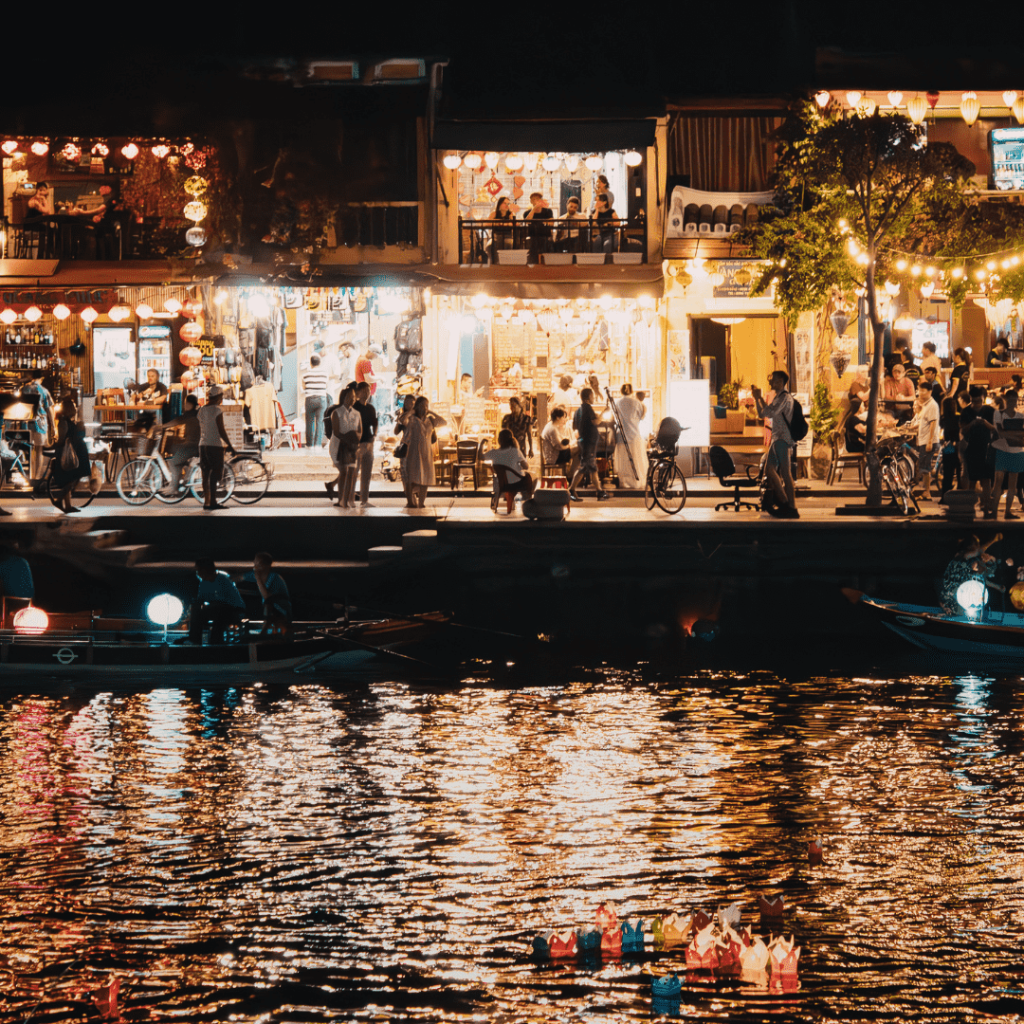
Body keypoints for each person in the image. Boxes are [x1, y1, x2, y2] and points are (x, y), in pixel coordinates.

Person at [752, 370, 798, 518]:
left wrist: (760, 398)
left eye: (774, 380)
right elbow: (762, 414)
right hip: (776, 438)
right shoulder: (778, 397)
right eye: (771, 379)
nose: (771, 382)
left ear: (781, 382)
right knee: (769, 470)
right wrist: (757, 398)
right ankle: (784, 501)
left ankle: (790, 506)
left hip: (782, 439)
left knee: (785, 472)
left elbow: (770, 412)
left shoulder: (784, 398)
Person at [938, 534, 1002, 615]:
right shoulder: (958, 563)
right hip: (957, 596)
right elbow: (945, 594)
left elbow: (980, 555)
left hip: (968, 597)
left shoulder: (973, 560)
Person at [198, 385, 238, 511]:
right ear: (219, 397)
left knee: (205, 474)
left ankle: (207, 502)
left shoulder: (202, 410)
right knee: (215, 474)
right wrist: (230, 445)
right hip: (214, 445)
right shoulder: (217, 410)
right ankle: (213, 502)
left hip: (202, 445)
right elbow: (221, 430)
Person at [187, 558, 245, 644]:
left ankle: (216, 641)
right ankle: (194, 639)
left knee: (220, 611)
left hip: (234, 610)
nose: (197, 573)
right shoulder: (203, 583)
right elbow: (201, 599)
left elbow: (225, 602)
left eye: (199, 570)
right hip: (216, 609)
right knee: (197, 611)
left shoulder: (223, 580)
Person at [960, 386, 997, 519]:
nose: (976, 404)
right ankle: (970, 508)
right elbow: (963, 430)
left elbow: (996, 429)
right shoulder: (966, 412)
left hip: (986, 448)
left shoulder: (990, 411)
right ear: (971, 399)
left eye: (979, 401)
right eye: (974, 401)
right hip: (972, 448)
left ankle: (986, 508)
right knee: (972, 480)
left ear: (982, 398)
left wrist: (985, 423)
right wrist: (972, 424)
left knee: (986, 480)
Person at [51, 397, 91, 514]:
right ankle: (59, 499)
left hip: (73, 453)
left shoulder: (67, 421)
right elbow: (63, 439)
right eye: (73, 407)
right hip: (68, 455)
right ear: (69, 409)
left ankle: (67, 506)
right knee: (73, 478)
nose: (75, 409)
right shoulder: (63, 422)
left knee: (70, 479)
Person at [235, 552, 292, 636]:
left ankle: (267, 633)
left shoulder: (275, 578)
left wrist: (258, 578)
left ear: (266, 565)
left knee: (268, 604)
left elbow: (267, 597)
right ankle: (263, 632)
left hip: (281, 610)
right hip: (270, 610)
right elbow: (239, 578)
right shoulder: (255, 575)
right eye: (255, 563)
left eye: (258, 563)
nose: (255, 566)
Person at [568, 388, 608, 502]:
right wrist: (603, 413)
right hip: (588, 443)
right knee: (588, 466)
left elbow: (575, 428)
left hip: (584, 442)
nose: (593, 398)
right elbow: (595, 421)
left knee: (588, 467)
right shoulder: (587, 408)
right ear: (587, 397)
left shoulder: (577, 411)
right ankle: (573, 490)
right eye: (592, 395)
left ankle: (599, 492)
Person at [990, 389, 1024, 520]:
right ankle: (1002, 511)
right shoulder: (1000, 414)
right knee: (1004, 484)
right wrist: (1016, 435)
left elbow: (1004, 433)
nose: (1012, 403)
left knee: (1007, 484)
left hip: (1010, 451)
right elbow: (1001, 433)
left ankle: (1000, 512)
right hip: (1010, 450)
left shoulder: (1002, 415)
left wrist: (1009, 434)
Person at [160, 394, 201, 496]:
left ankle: (173, 488)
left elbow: (176, 421)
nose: (186, 405)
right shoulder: (195, 413)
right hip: (192, 444)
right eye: (185, 403)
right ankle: (181, 477)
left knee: (173, 462)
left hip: (192, 445)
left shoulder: (191, 414)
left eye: (188, 404)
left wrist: (161, 427)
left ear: (192, 404)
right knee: (174, 452)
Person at [329, 385, 362, 509]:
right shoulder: (337, 413)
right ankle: (341, 499)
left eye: (353, 397)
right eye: (349, 397)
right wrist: (349, 438)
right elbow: (337, 432)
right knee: (344, 471)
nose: (352, 399)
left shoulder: (357, 413)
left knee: (351, 473)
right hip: (338, 446)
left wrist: (355, 439)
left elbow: (360, 431)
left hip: (351, 447)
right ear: (343, 398)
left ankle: (346, 499)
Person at [20, 368, 54, 484]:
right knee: (39, 450)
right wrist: (53, 426)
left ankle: (29, 474)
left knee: (28, 449)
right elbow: (49, 409)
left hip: (26, 422)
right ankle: (37, 476)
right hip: (40, 423)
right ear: (42, 378)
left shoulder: (24, 389)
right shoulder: (43, 391)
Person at [612, 383, 648, 489]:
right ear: (632, 391)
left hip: (621, 436)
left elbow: (615, 418)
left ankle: (623, 482)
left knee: (623, 460)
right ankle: (637, 482)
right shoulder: (637, 403)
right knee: (636, 460)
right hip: (634, 434)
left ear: (621, 391)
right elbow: (642, 416)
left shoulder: (617, 403)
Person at [909, 380, 940, 501]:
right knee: (923, 465)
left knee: (925, 467)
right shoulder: (925, 405)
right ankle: (934, 481)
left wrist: (930, 441)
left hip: (928, 440)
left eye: (923, 390)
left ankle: (927, 492)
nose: (920, 393)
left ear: (930, 392)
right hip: (923, 440)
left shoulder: (932, 405)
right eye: (919, 390)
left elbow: (933, 423)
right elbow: (923, 421)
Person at [483, 429, 534, 502]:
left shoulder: (494, 453)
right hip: (514, 484)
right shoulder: (515, 452)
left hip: (501, 484)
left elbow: (480, 457)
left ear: (499, 440)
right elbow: (526, 466)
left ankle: (511, 496)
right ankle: (527, 498)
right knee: (528, 477)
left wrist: (482, 443)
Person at [404, 396, 435, 508]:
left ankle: (421, 502)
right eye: (422, 405)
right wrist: (411, 412)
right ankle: (410, 501)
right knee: (412, 478)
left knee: (425, 479)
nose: (424, 408)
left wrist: (431, 411)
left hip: (426, 453)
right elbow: (402, 420)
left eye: (426, 405)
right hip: (414, 452)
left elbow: (444, 422)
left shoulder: (429, 420)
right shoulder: (412, 419)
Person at [353, 381, 377, 507]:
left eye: (368, 391)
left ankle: (364, 500)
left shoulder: (371, 408)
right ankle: (349, 499)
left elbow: (375, 423)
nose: (367, 393)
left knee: (366, 474)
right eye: (364, 391)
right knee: (354, 473)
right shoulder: (354, 407)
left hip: (369, 443)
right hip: (357, 444)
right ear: (358, 393)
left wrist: (374, 436)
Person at [302, 353, 330, 448]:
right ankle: (317, 444)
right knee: (320, 422)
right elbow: (326, 386)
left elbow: (304, 387)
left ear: (310, 363)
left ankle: (309, 444)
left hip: (309, 399)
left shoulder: (305, 375)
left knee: (309, 422)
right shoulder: (325, 374)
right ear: (320, 363)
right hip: (321, 399)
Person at [0, 543, 33, 619]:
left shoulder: (4, 564)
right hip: (29, 600)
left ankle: (2, 617)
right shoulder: (23, 561)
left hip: (11, 600)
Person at [541, 408, 576, 480]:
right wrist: (570, 446)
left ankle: (571, 475)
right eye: (563, 417)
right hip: (554, 457)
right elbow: (559, 446)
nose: (564, 419)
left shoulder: (550, 425)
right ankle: (570, 476)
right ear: (558, 417)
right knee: (578, 451)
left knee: (577, 452)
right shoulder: (552, 429)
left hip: (553, 455)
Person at [522, 191, 553, 263]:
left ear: (541, 200)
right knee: (532, 257)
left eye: (538, 199)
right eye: (534, 199)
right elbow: (527, 221)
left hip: (545, 236)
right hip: (532, 237)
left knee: (546, 257)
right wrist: (534, 209)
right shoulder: (527, 213)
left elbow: (551, 223)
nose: (536, 201)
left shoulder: (548, 211)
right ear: (531, 201)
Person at [489, 196, 514, 263]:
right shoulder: (494, 214)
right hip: (496, 236)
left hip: (508, 236)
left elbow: (515, 224)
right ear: (499, 204)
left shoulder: (510, 214)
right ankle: (497, 263)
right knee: (495, 243)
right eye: (504, 203)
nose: (506, 205)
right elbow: (487, 224)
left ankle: (506, 262)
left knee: (508, 243)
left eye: (508, 204)